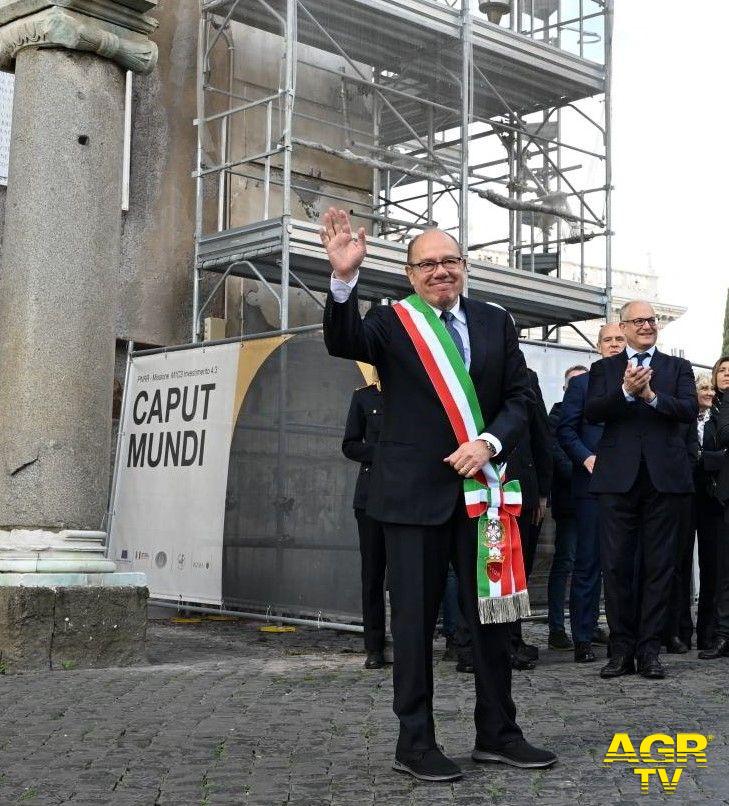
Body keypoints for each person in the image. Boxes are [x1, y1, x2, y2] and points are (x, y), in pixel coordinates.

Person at [320, 208, 556, 782]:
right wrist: (344, 279)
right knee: (415, 624)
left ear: (465, 266)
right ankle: (415, 743)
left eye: (449, 260)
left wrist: (489, 442)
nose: (439, 271)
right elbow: (343, 339)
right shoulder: (391, 320)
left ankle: (499, 733)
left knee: (493, 621)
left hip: (483, 496)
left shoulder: (496, 321)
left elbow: (521, 397)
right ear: (410, 274)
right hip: (410, 500)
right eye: (426, 264)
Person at [585, 302, 697, 680]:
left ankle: (650, 650)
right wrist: (626, 392)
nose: (647, 325)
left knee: (659, 566)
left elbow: (688, 409)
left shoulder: (677, 367)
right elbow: (592, 411)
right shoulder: (604, 369)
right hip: (617, 480)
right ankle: (621, 650)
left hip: (665, 480)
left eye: (652, 320)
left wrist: (650, 396)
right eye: (639, 321)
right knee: (616, 566)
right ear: (624, 327)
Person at [557, 325, 626, 663]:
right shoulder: (582, 384)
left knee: (627, 563)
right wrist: (586, 458)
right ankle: (583, 637)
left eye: (619, 339)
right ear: (598, 346)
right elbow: (566, 430)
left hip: (632, 487)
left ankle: (625, 635)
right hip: (592, 487)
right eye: (608, 340)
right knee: (588, 564)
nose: (614, 344)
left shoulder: (645, 382)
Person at [505, 367, 552, 667]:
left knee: (518, 569)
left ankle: (513, 639)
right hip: (476, 490)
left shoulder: (526, 376)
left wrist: (543, 492)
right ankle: (467, 642)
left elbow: (541, 435)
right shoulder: (460, 370)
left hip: (522, 491)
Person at [342, 375, 388, 669]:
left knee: (405, 577)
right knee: (372, 575)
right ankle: (374, 647)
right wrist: (382, 452)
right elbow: (349, 445)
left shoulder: (410, 394)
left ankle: (408, 643)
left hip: (405, 500)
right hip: (370, 499)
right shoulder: (363, 397)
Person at [546, 364, 588, 652]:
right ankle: (557, 628)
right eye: (573, 383)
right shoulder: (557, 416)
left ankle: (588, 626)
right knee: (566, 562)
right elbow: (558, 455)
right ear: (564, 389)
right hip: (571, 501)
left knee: (592, 564)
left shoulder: (596, 414)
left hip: (595, 500)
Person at [697, 357, 729, 659]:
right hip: (710, 497)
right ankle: (715, 633)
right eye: (723, 370)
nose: (727, 375)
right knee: (716, 569)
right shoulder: (711, 410)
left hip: (721, 494)